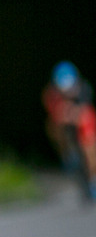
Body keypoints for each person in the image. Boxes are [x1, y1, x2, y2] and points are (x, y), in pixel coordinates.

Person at [41, 61, 96, 200]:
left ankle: (93, 178)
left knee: (90, 141)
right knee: (52, 126)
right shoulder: (51, 94)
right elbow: (56, 115)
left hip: (83, 126)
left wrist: (70, 114)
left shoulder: (84, 89)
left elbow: (84, 113)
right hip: (66, 128)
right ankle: (66, 153)